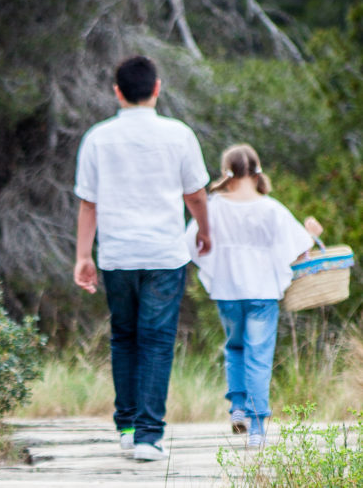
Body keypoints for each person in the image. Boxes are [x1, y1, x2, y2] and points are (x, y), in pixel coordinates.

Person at [73, 55, 211, 461]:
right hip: (165, 255)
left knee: (124, 337)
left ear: (117, 92)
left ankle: (128, 428)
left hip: (117, 255)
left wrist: (84, 256)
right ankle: (149, 436)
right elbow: (196, 194)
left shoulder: (98, 137)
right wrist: (204, 229)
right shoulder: (179, 134)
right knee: (157, 341)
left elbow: (88, 204)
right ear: (157, 88)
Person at [185, 143, 322, 448]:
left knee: (235, 348)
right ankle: (257, 427)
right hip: (262, 292)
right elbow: (300, 246)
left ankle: (237, 408)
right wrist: (312, 233)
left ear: (226, 171)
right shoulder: (270, 207)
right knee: (259, 356)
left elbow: (191, 242)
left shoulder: (214, 205)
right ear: (256, 171)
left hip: (227, 291)